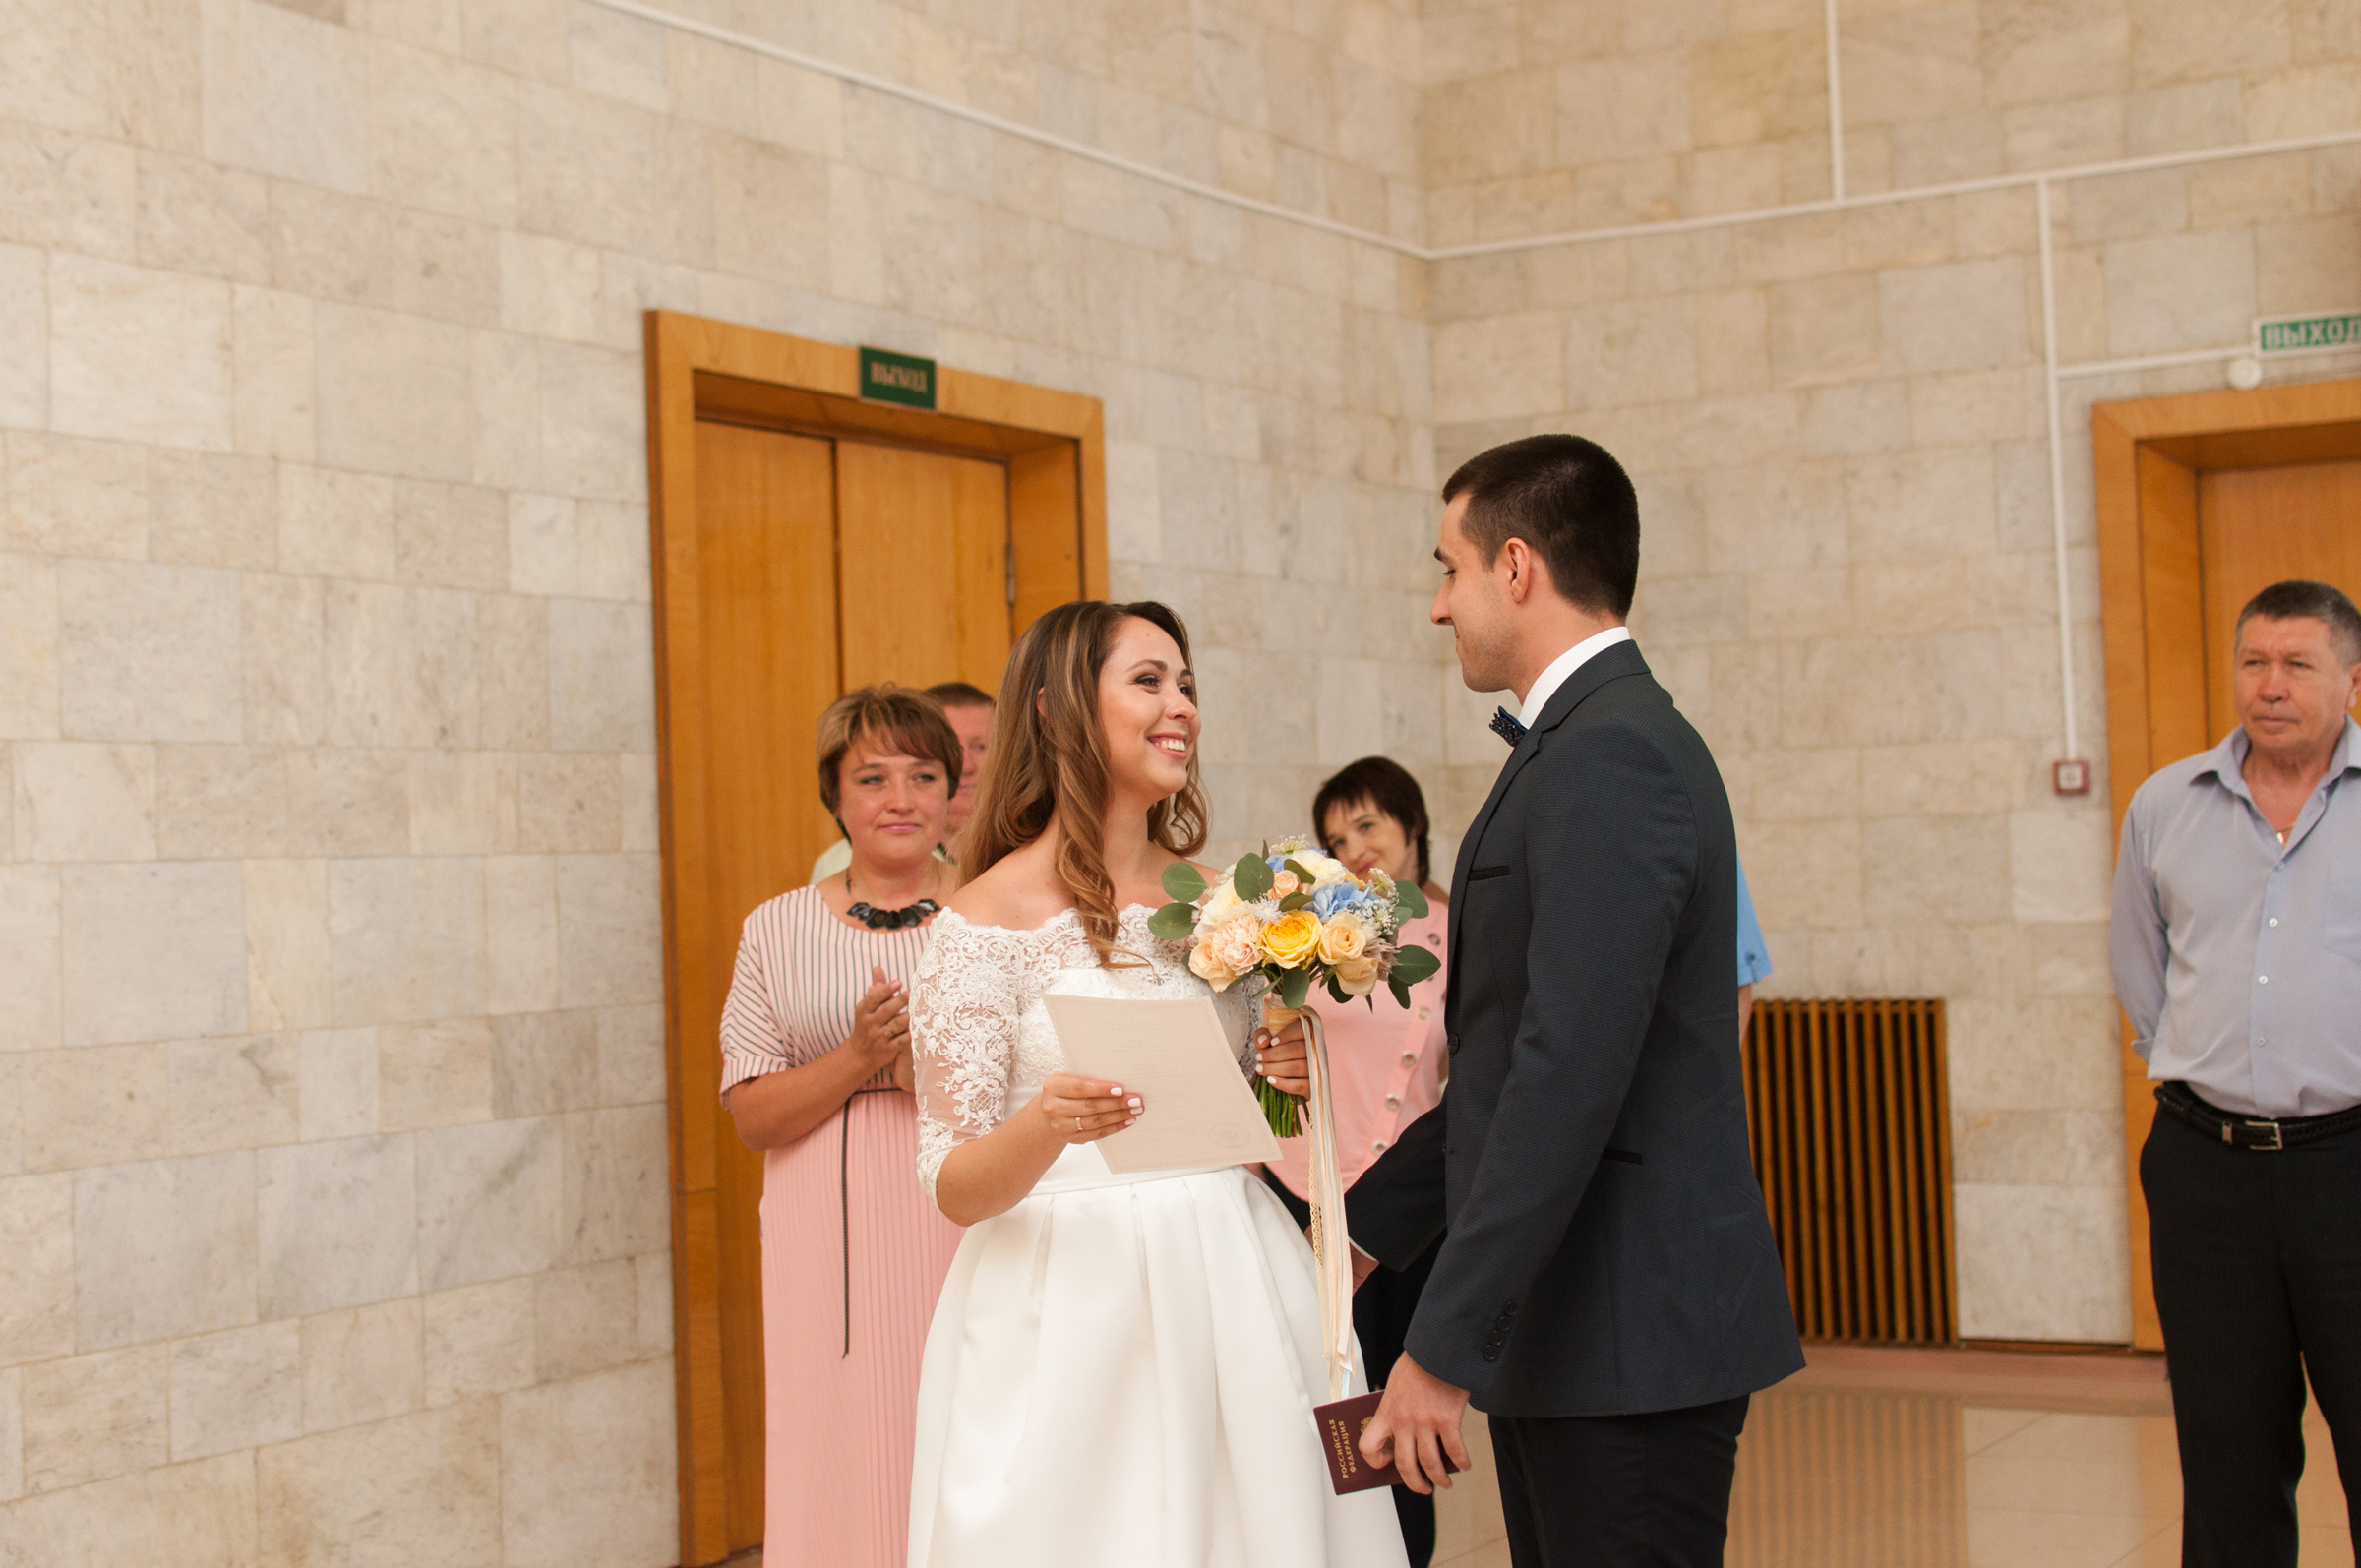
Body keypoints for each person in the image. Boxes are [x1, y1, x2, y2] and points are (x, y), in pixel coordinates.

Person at [1344, 435, 1804, 1568]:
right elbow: (1508, 1067)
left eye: (1446, 569)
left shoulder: (1613, 756)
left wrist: (1441, 1345)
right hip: (1581, 1328)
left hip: (1628, 1328)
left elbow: (1567, 1075)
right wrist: (1352, 1233)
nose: (1439, 606)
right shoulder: (1577, 742)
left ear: (1515, 566)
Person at [903, 600, 1409, 1568]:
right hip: (1067, 1308)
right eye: (1148, 680)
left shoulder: (1227, 904)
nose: (1181, 705)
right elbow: (954, 1184)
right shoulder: (979, 925)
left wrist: (1284, 1075)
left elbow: (1252, 1115)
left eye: (1187, 683)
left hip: (1232, 1275)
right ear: (1055, 712)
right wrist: (1047, 1125)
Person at [2109, 577, 2361, 1568]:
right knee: (2227, 1461)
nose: (2271, 686)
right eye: (2254, 661)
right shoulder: (2166, 805)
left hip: (2353, 1164)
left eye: (2298, 664)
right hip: (2208, 1171)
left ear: (2350, 678)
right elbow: (2142, 971)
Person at [717, 685, 968, 1568]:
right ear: (836, 798)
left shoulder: (997, 913)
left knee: (961, 1424)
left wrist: (920, 1071)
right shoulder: (776, 928)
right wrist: (860, 1056)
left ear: (951, 795)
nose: (900, 799)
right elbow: (751, 1113)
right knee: (832, 1439)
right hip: (826, 1240)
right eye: (872, 778)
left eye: (923, 775)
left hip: (972, 1212)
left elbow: (1038, 1076)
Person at [1258, 755, 1450, 1567]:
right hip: (1306, 1197)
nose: (1356, 847)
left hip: (1411, 1216)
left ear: (1412, 824)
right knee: (1310, 1408)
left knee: (1399, 1423)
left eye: (1368, 824)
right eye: (1337, 838)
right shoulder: (1311, 939)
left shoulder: (1467, 924)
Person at [814, 681, 995, 881]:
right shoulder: (837, 865)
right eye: (874, 779)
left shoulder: (1026, 857)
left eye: (981, 747)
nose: (965, 766)